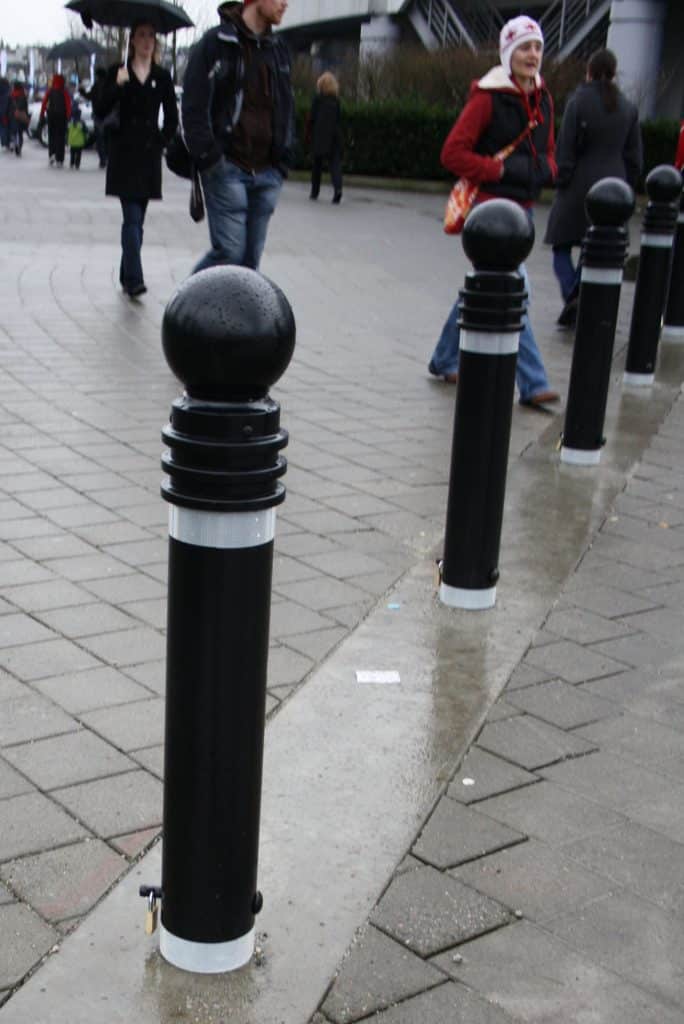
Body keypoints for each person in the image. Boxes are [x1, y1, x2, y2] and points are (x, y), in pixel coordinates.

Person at [428, 16, 559, 407]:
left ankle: (444, 357)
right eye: (523, 48)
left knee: (486, 284)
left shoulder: (544, 98)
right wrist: (498, 170)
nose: (532, 55)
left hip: (523, 212)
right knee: (514, 289)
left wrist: (547, 170)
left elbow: (549, 150)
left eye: (536, 47)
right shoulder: (487, 97)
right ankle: (533, 383)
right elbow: (453, 152)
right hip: (489, 212)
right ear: (507, 54)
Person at [182, 0, 294, 273]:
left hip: (268, 173)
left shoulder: (278, 50)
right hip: (227, 167)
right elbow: (193, 106)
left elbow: (286, 106)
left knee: (249, 264)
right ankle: (184, 310)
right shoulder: (216, 43)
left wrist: (283, 161)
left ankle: (230, 317)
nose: (285, 4)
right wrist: (210, 157)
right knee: (229, 253)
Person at [544, 48, 642, 328]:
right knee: (596, 248)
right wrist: (626, 186)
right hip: (613, 187)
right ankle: (579, 293)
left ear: (588, 71)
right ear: (614, 72)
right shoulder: (627, 108)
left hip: (578, 185)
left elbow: (565, 148)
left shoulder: (578, 103)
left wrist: (561, 180)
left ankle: (571, 292)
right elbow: (635, 157)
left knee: (561, 247)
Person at [94, 20, 178, 298]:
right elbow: (100, 107)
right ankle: (134, 279)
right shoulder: (119, 72)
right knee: (131, 218)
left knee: (137, 221)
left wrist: (162, 141)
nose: (146, 41)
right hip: (124, 155)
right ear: (131, 40)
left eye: (151, 36)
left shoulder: (162, 76)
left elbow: (172, 118)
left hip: (148, 157)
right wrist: (117, 86)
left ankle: (125, 270)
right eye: (141, 35)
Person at [307, 71, 343, 204]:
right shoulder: (336, 101)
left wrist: (309, 133)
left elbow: (312, 118)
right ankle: (338, 189)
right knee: (335, 165)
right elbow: (339, 119)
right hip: (334, 135)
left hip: (320, 135)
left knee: (317, 165)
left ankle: (314, 192)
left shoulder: (318, 99)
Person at [40, 73, 72, 167]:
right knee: (60, 137)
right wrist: (68, 115)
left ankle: (52, 154)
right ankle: (60, 158)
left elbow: (44, 102)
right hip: (62, 117)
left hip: (51, 116)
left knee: (52, 136)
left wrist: (42, 114)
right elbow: (68, 104)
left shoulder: (50, 91)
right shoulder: (64, 91)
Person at [81, 67, 109, 168]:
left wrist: (82, 91)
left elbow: (89, 96)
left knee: (100, 138)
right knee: (107, 137)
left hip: (97, 115)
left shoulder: (96, 86)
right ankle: (108, 157)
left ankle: (103, 159)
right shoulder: (109, 85)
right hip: (108, 116)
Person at [8, 81, 29, 157]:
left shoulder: (11, 95)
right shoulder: (23, 95)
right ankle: (19, 147)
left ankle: (13, 143)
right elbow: (25, 107)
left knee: (13, 132)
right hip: (20, 117)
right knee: (20, 133)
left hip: (12, 116)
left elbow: (9, 106)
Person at [67, 101, 87, 169]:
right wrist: (86, 138)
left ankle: (72, 163)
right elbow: (85, 131)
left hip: (72, 141)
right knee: (79, 154)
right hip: (79, 142)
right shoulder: (81, 123)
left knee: (72, 153)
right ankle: (77, 164)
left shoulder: (70, 122)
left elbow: (67, 131)